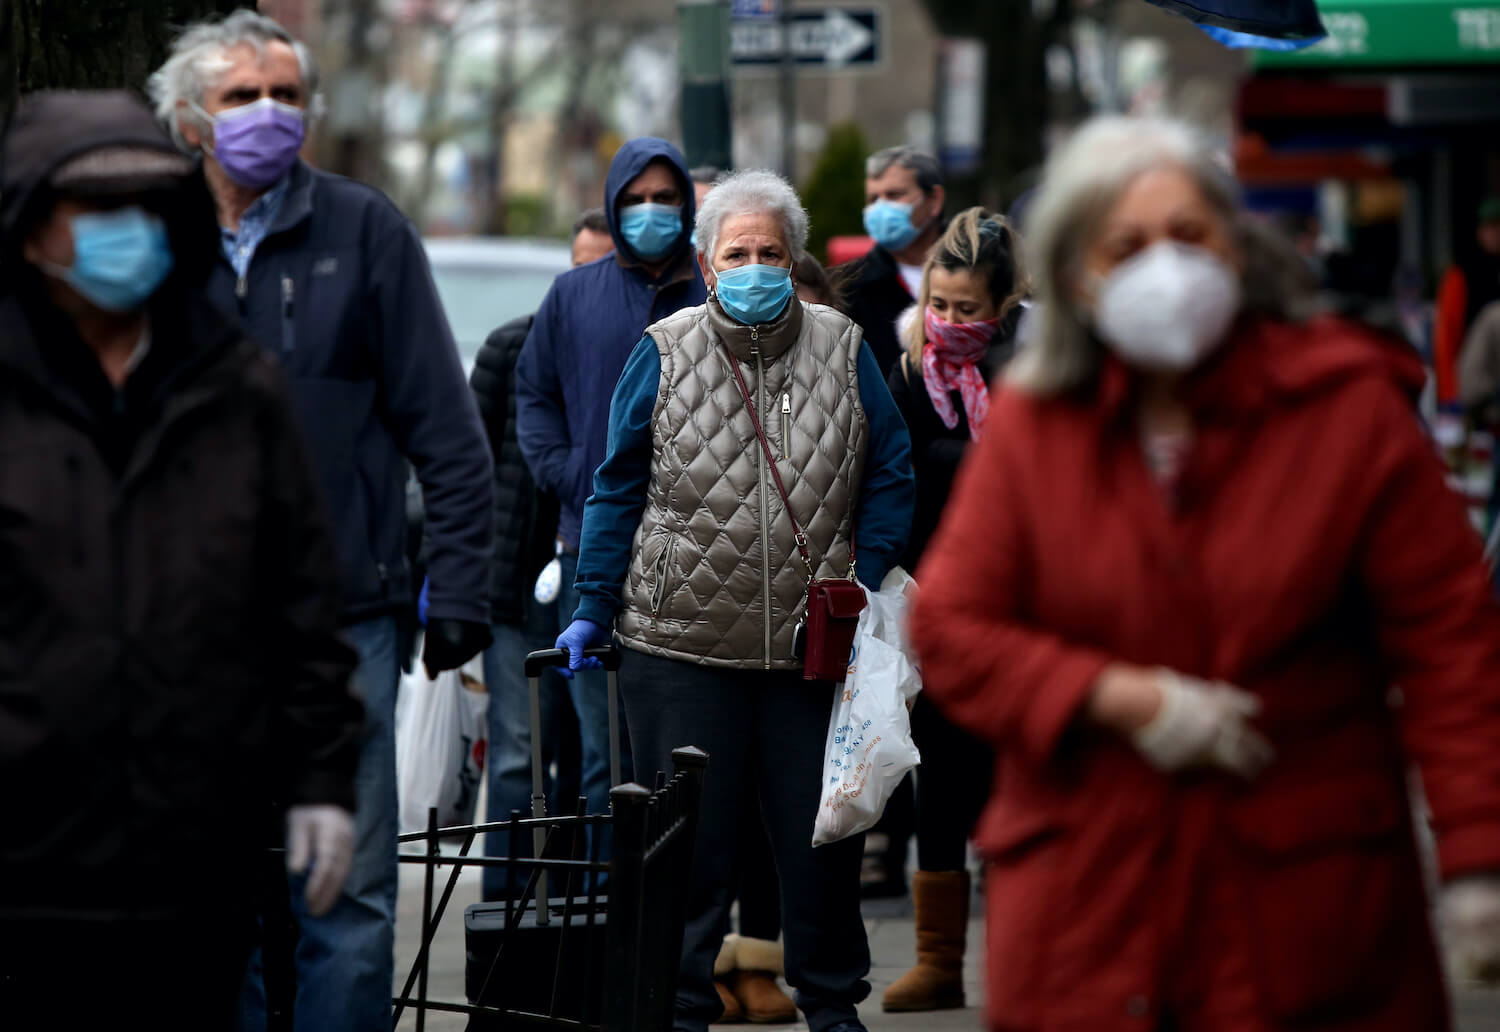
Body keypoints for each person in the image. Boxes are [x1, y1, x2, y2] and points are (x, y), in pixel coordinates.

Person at [910, 115, 1500, 1031]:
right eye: (1127, 245)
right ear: (1076, 276)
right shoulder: (1036, 427)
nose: (1165, 268)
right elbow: (950, 630)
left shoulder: (1342, 410)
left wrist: (1478, 854)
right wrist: (1113, 697)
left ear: (1239, 248)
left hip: (1316, 914)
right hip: (1091, 919)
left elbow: (1450, 642)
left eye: (1189, 236)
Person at [150, 11, 494, 1029]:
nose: (269, 115)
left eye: (286, 96)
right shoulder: (142, 243)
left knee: (342, 896)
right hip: (183, 631)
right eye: (242, 97)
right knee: (211, 895)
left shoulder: (365, 230)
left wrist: (462, 589)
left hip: (342, 618)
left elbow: (448, 427)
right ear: (187, 121)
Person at [0, 90, 364, 1030]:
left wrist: (323, 781)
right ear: (31, 226)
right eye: (93, 211)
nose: (125, 234)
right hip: (26, 857)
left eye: (144, 210)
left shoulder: (238, 391)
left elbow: (301, 604)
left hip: (198, 849)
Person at [555, 169, 916, 1032]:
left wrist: (863, 573)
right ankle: (675, 1011)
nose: (755, 266)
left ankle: (832, 1007)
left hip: (809, 650)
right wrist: (591, 604)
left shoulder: (843, 343)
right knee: (686, 854)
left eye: (771, 253)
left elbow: (891, 469)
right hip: (677, 647)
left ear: (792, 263)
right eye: (736, 253)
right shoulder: (665, 346)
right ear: (708, 266)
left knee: (819, 844)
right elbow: (617, 487)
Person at [516, 138, 708, 825]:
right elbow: (533, 396)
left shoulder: (714, 288)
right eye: (635, 199)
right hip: (588, 549)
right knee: (603, 757)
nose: (651, 212)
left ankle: (676, 922)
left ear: (687, 203)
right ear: (612, 203)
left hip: (698, 556)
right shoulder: (573, 294)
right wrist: (569, 474)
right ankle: (607, 921)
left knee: (683, 756)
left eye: (664, 198)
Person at [881, 208, 1026, 1013]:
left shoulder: (1034, 368)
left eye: (967, 310)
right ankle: (939, 962)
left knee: (1013, 783)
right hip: (934, 602)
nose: (949, 323)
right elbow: (894, 477)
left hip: (1023, 609)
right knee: (937, 779)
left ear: (1002, 306)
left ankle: (1022, 959)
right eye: (940, 306)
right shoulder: (908, 370)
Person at [468, 211, 614, 901]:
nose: (587, 280)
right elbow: (468, 464)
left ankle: (584, 899)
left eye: (603, 266)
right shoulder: (510, 347)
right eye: (578, 264)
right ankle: (508, 908)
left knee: (597, 756)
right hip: (514, 584)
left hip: (589, 580)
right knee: (519, 758)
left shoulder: (633, 352)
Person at [836, 146, 946, 376]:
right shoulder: (848, 287)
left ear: (934, 200)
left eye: (894, 195)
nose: (881, 208)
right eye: (873, 199)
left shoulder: (978, 272)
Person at [1434, 197, 1500, 406]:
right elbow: (1447, 334)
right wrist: (1448, 393)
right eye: (1489, 228)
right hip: (1475, 376)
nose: (1494, 235)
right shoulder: (1461, 273)